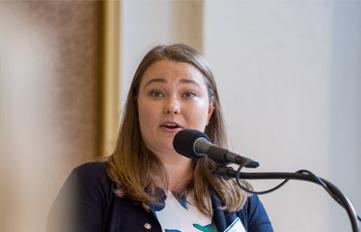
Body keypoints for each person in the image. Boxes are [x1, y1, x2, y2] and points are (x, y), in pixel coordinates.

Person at [48, 44, 273, 232]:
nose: (172, 106)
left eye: (189, 94)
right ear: (136, 105)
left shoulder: (240, 197)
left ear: (209, 111)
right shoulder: (91, 184)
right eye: (157, 93)